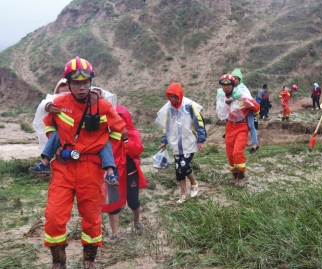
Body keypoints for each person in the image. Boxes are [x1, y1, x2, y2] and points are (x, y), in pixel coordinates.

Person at [43, 56, 126, 269]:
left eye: (85, 83)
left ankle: (89, 260)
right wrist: (58, 145)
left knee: (91, 217)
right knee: (54, 216)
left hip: (91, 169)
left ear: (91, 82)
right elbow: (49, 126)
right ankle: (58, 262)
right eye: (77, 83)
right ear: (68, 83)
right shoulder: (59, 104)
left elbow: (120, 131)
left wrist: (106, 155)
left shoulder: (104, 106)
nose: (82, 87)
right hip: (64, 168)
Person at [29, 83, 119, 185]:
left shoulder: (96, 102)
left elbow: (104, 94)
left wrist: (97, 92)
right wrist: (48, 106)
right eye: (61, 93)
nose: (65, 95)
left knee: (104, 142)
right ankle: (45, 163)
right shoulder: (57, 104)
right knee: (58, 198)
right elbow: (46, 118)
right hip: (63, 163)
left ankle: (110, 172)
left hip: (89, 162)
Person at [102, 105, 148, 243]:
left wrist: (126, 139)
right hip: (113, 174)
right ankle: (115, 234)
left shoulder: (133, 132)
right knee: (113, 203)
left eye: (121, 118)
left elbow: (136, 150)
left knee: (133, 201)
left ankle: (137, 222)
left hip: (130, 172)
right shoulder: (106, 135)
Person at [155, 83, 206, 204]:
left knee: (183, 165)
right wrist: (164, 141)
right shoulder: (168, 110)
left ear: (180, 95)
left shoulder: (189, 106)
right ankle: (184, 194)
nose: (173, 99)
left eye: (175, 96)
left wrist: (201, 140)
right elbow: (167, 127)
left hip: (189, 142)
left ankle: (194, 184)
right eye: (170, 97)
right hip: (176, 144)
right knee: (178, 170)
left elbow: (199, 123)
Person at [216, 74, 260, 187]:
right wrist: (226, 105)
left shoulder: (241, 96)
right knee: (230, 154)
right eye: (223, 85)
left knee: (237, 152)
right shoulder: (222, 97)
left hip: (242, 126)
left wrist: (253, 115)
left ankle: (241, 177)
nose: (226, 87)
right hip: (230, 126)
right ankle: (234, 175)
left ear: (233, 85)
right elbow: (221, 112)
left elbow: (255, 106)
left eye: (228, 85)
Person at [231, 68, 259, 154]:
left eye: (236, 78)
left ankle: (255, 145)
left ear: (240, 79)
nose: (235, 80)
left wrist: (235, 105)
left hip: (248, 110)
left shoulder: (242, 88)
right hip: (241, 111)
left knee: (251, 126)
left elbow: (247, 101)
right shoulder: (234, 89)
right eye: (233, 78)